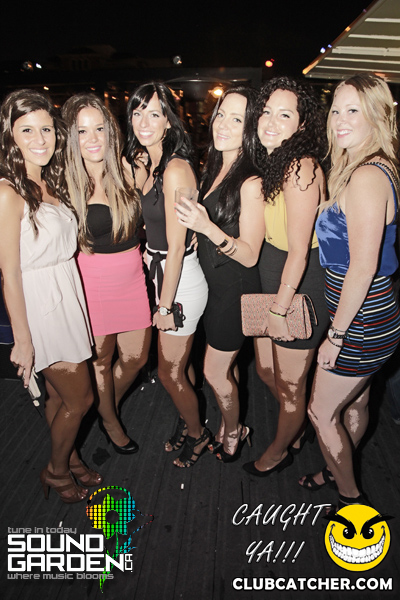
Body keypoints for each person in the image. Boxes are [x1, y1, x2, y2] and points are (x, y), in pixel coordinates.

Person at [300, 73, 400, 509]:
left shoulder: (366, 176)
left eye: (353, 110)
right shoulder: (372, 164)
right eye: (336, 109)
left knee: (321, 412)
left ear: (376, 115)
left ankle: (350, 499)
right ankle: (337, 467)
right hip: (376, 315)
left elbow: (362, 267)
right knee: (355, 403)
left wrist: (336, 336)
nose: (339, 119)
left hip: (360, 322)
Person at [0, 89, 101, 503]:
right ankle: (56, 472)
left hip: (65, 292)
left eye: (46, 129)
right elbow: (9, 272)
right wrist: (23, 339)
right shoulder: (8, 192)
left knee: (60, 395)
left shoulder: (46, 179)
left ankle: (71, 458)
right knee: (82, 399)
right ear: (10, 136)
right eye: (27, 130)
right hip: (41, 305)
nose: (40, 139)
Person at [242, 76, 330, 477]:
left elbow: (299, 250)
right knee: (266, 370)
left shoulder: (300, 167)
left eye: (284, 114)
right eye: (266, 112)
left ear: (302, 124)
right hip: (272, 274)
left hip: (298, 284)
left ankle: (278, 451)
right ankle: (297, 425)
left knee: (292, 385)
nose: (271, 122)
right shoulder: (275, 161)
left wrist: (280, 309)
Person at [175, 87, 265, 462]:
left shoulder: (252, 182)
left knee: (213, 371)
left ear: (251, 128)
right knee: (226, 366)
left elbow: (250, 254)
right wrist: (200, 235)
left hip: (235, 288)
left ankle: (235, 430)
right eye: (221, 114)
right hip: (213, 283)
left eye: (236, 119)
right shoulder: (213, 167)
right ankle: (233, 421)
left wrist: (207, 228)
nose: (223, 124)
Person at [126, 82, 209, 467]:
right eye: (137, 112)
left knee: (168, 372)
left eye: (154, 113)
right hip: (160, 272)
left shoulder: (176, 169)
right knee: (181, 367)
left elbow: (176, 248)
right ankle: (187, 418)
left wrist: (164, 306)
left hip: (178, 282)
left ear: (169, 121)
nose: (144, 121)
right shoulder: (151, 164)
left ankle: (198, 434)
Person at [62, 94, 152, 454]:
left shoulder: (132, 169)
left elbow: (157, 213)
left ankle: (104, 404)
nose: (93, 138)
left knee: (136, 358)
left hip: (132, 277)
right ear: (71, 137)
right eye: (82, 131)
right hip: (93, 281)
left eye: (99, 128)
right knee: (100, 360)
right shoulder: (65, 182)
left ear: (111, 131)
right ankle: (111, 421)